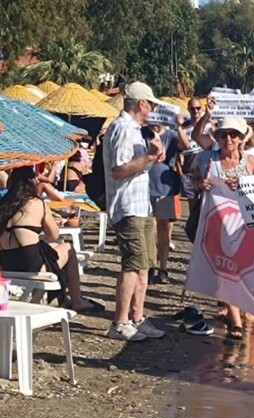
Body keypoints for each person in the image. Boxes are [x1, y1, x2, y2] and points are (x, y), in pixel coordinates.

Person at [193, 116, 254, 342]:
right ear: (216, 137)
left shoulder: (251, 161)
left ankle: (245, 308)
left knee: (246, 271)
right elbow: (193, 176)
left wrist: (247, 185)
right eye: (223, 134)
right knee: (226, 272)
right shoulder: (207, 159)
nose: (229, 139)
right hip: (217, 225)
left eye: (234, 134)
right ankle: (235, 320)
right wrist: (200, 183)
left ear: (242, 138)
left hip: (247, 227)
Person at [103, 82, 166, 341]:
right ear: (141, 104)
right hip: (127, 206)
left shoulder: (137, 131)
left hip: (141, 205)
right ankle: (120, 322)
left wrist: (152, 156)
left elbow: (136, 167)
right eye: (150, 103)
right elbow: (119, 170)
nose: (152, 108)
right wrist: (149, 158)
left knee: (143, 265)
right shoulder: (122, 129)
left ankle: (137, 318)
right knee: (132, 264)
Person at [0, 167, 100, 312]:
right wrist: (50, 221)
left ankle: (64, 299)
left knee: (48, 249)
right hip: (31, 267)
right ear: (32, 182)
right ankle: (77, 300)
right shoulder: (37, 203)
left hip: (7, 265)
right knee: (68, 248)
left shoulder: (3, 205)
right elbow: (54, 235)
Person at [148, 115, 190, 285]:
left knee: (164, 230)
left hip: (166, 188)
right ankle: (150, 266)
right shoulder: (143, 133)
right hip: (145, 188)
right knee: (148, 229)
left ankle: (163, 268)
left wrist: (179, 127)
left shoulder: (171, 134)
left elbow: (186, 146)